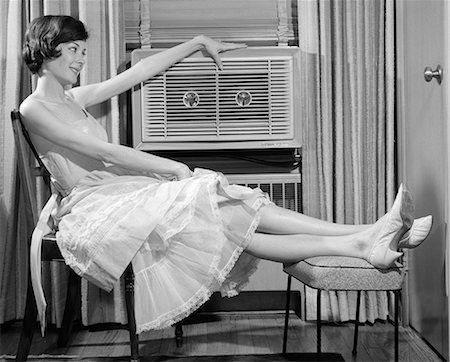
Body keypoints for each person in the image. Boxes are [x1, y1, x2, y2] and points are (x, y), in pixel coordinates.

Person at [20, 15, 432, 333]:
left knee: (241, 208)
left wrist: (197, 42)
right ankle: (366, 236)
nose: (81, 59)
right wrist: (173, 167)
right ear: (48, 49)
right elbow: (100, 150)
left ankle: (366, 237)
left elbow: (136, 76)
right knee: (228, 206)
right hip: (93, 207)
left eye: (82, 50)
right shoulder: (33, 108)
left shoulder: (74, 98)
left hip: (122, 194)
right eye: (73, 49)